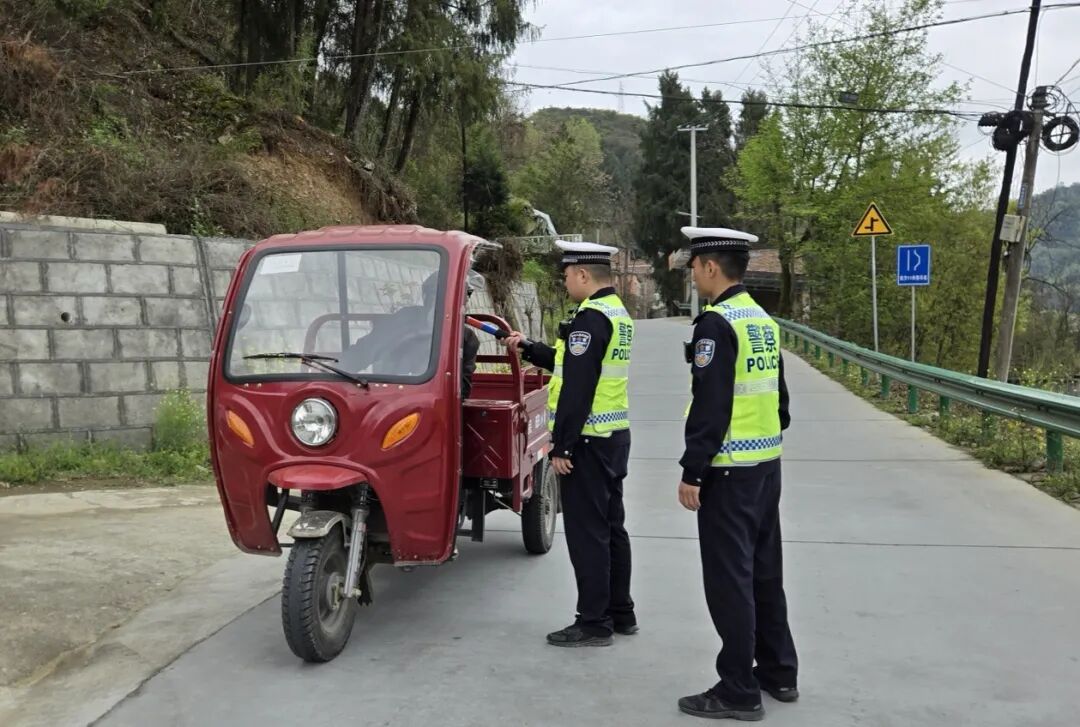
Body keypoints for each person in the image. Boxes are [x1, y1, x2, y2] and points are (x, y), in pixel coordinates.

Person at [674, 227, 798, 721]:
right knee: (765, 574)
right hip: (767, 466)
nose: (691, 274)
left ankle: (737, 689)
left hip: (727, 473)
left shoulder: (716, 323)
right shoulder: (761, 319)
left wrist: (693, 470)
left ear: (710, 267)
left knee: (730, 580)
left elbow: (711, 404)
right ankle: (778, 672)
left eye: (694, 266)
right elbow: (779, 398)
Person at [503, 240, 636, 647]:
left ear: (582, 275)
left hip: (588, 443)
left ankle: (593, 622)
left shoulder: (590, 319)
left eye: (566, 275)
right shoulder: (616, 314)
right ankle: (620, 612)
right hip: (613, 437)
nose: (563, 281)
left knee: (587, 533)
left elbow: (577, 388)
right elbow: (570, 363)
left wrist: (562, 447)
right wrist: (528, 348)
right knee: (612, 527)